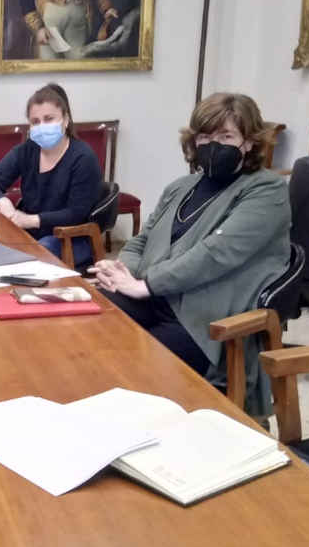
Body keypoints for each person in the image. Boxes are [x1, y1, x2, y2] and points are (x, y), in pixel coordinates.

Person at [89, 93, 290, 424]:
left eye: (226, 136)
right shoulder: (180, 187)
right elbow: (142, 239)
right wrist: (123, 270)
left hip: (203, 316)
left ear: (250, 142)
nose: (213, 145)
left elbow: (215, 254)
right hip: (158, 296)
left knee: (126, 368)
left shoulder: (267, 191)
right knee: (87, 327)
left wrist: (146, 285)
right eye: (205, 137)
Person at [0, 83, 103, 268]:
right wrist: (3, 201)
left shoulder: (84, 157)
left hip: (70, 237)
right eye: (35, 121)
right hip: (32, 233)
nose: (42, 126)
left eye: (49, 119)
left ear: (66, 120)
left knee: (28, 258)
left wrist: (30, 220)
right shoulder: (26, 151)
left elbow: (76, 213)